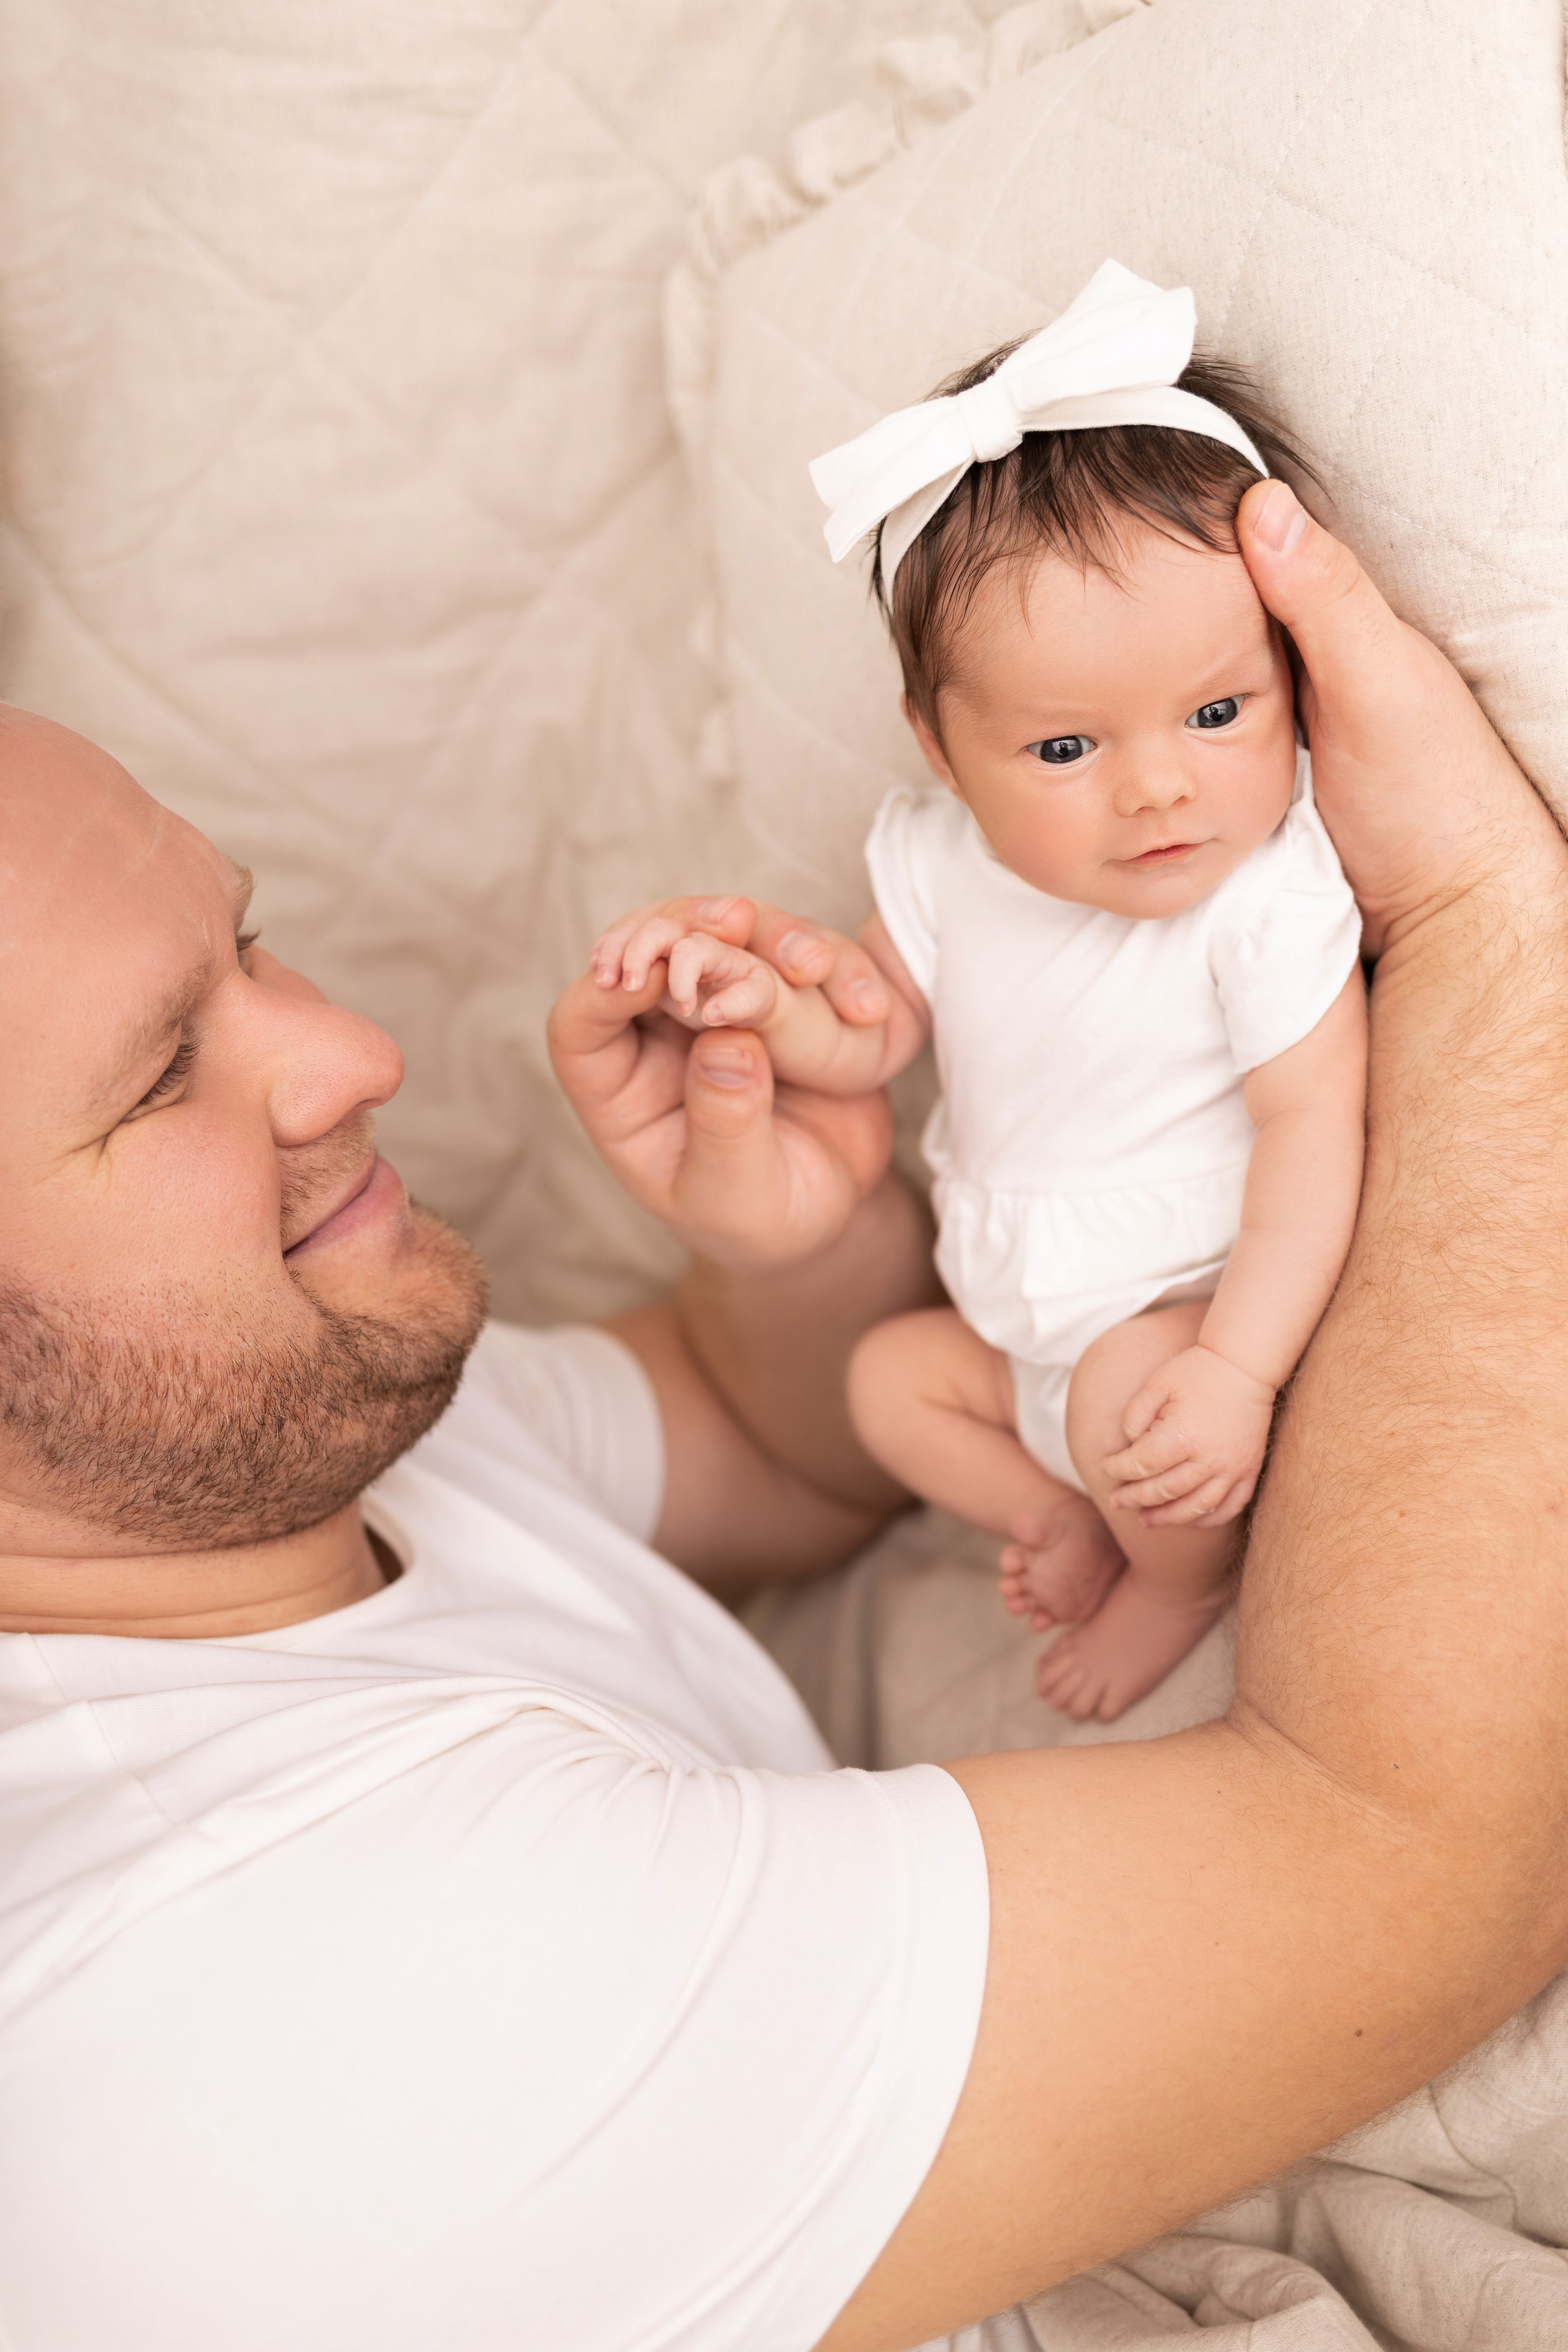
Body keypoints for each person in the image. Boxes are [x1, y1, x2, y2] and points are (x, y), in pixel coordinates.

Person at [0, 480, 1566, 2352]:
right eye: (166, 1075)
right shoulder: (267, 1985)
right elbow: (1420, 1857)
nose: (357, 1052)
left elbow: (774, 1451)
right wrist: (1481, 908)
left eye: (246, 947)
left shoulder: (221, 1463)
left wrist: (796, 1237)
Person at [584, 262, 1370, 1724]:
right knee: (887, 1385)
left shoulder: (1264, 898)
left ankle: (1172, 1580)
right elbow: (870, 1027)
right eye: (1063, 749)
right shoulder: (950, 867)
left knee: (1128, 1417)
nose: (1155, 786)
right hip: (1007, 1318)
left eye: (1216, 713)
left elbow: (1317, 1135)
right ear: (941, 754)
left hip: (1176, 1300)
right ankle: (1048, 1516)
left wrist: (1237, 1371)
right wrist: (756, 1002)